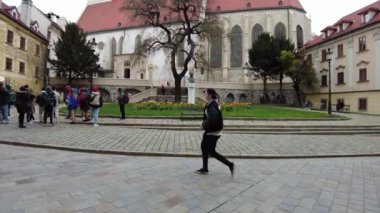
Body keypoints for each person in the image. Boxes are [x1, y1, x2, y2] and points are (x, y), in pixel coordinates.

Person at [196, 88, 235, 176]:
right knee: (209, 150)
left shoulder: (212, 105)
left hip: (212, 131)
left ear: (209, 95)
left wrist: (203, 125)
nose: (205, 95)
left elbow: (212, 118)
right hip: (214, 130)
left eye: (205, 93)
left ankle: (229, 164)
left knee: (205, 148)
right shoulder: (212, 104)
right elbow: (209, 117)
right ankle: (228, 165)